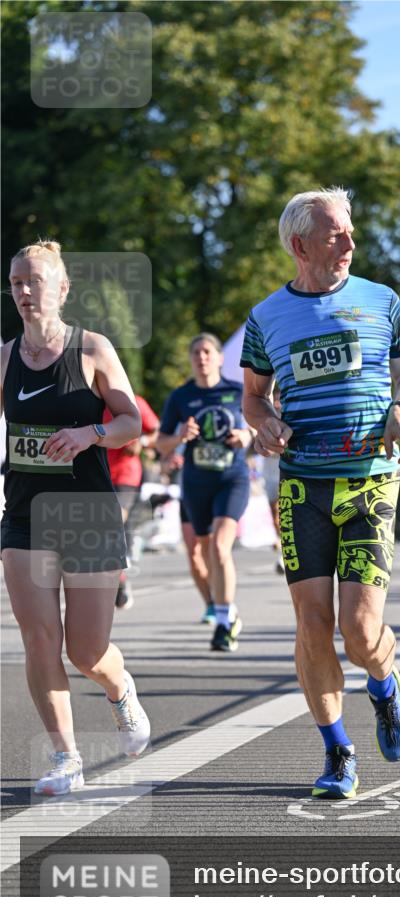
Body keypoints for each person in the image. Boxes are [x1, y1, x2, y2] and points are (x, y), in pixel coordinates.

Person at [241, 187, 400, 799]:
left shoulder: (382, 301)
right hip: (302, 485)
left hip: (371, 477)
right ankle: (337, 750)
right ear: (299, 245)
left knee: (360, 629)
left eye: (350, 231)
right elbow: (252, 394)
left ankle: (384, 683)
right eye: (335, 235)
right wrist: (263, 421)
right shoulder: (266, 317)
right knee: (313, 625)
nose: (350, 243)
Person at [1, 240, 150, 795]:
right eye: (15, 282)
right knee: (39, 639)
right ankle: (66, 756)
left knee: (85, 650)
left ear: (61, 289)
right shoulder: (4, 357)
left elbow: (132, 422)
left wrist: (91, 434)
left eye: (32, 281)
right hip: (23, 516)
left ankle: (120, 691)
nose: (21, 291)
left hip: (87, 513)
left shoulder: (91, 349)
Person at [156, 333, 254, 651]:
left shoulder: (237, 391)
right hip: (196, 483)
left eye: (207, 351)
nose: (202, 357)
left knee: (221, 547)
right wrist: (180, 436)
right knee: (205, 548)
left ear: (219, 357)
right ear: (191, 358)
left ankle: (225, 621)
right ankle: (223, 606)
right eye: (196, 352)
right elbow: (161, 443)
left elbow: (256, 426)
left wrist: (245, 436)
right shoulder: (181, 397)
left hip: (232, 479)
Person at [103, 393, 160, 609]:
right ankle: (119, 578)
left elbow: (156, 431)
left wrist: (141, 442)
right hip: (96, 474)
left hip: (126, 476)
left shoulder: (132, 400)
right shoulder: (89, 399)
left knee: (113, 521)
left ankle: (120, 577)